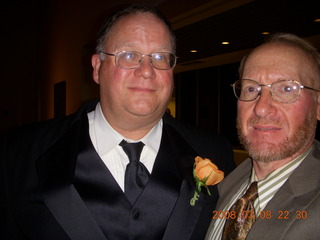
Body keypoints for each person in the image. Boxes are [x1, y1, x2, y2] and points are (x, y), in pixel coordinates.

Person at [0, 4, 235, 240]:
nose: (146, 70)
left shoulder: (215, 152)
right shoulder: (19, 153)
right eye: (129, 55)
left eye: (160, 57)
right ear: (97, 67)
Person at [205, 32, 320, 240]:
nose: (261, 108)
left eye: (286, 88)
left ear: (318, 105)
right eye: (251, 88)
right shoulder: (228, 184)